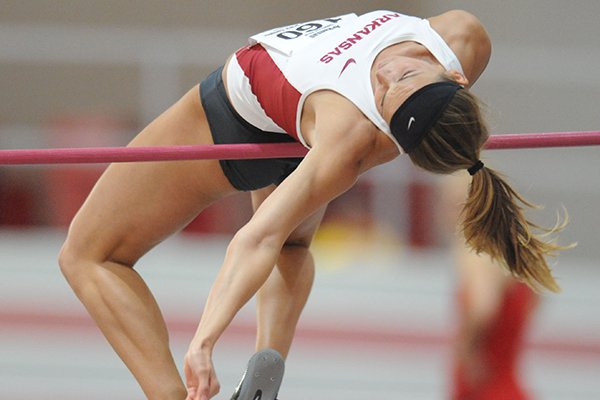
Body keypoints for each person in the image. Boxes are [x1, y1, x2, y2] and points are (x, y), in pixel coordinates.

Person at [57, 9, 566, 400]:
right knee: (293, 241)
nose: (387, 77)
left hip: (233, 117)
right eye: (407, 79)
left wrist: (204, 341)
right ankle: (269, 354)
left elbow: (256, 237)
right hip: (300, 131)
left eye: (391, 97)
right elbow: (277, 236)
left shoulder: (349, 135)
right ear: (457, 78)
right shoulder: (464, 38)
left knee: (87, 254)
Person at [440, 172, 540, 400]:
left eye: (453, 204)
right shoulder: (509, 250)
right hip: (505, 379)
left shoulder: (477, 252)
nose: (446, 213)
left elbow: (483, 306)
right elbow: (536, 297)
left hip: (486, 382)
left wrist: (467, 349)